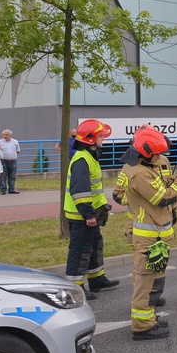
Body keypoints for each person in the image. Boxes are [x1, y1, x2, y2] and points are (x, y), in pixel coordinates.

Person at [117, 126, 177, 340]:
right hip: (149, 237)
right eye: (156, 153)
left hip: (156, 235)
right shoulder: (139, 173)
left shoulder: (146, 167)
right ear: (146, 152)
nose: (160, 156)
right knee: (146, 280)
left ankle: (148, 319)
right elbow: (163, 198)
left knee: (155, 278)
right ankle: (142, 326)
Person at [63, 119, 119, 299]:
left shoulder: (89, 156)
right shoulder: (82, 160)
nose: (103, 138)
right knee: (80, 251)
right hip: (82, 215)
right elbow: (80, 190)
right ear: (91, 139)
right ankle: (75, 288)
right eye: (101, 136)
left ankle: (96, 279)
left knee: (94, 245)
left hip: (90, 213)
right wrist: (87, 214)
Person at [0, 129, 21, 194]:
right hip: (3, 161)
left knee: (12, 176)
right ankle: (3, 190)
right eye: (4, 135)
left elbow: (18, 151)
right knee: (3, 176)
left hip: (13, 161)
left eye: (7, 135)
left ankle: (11, 189)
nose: (5, 136)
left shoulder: (15, 142)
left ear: (10, 135)